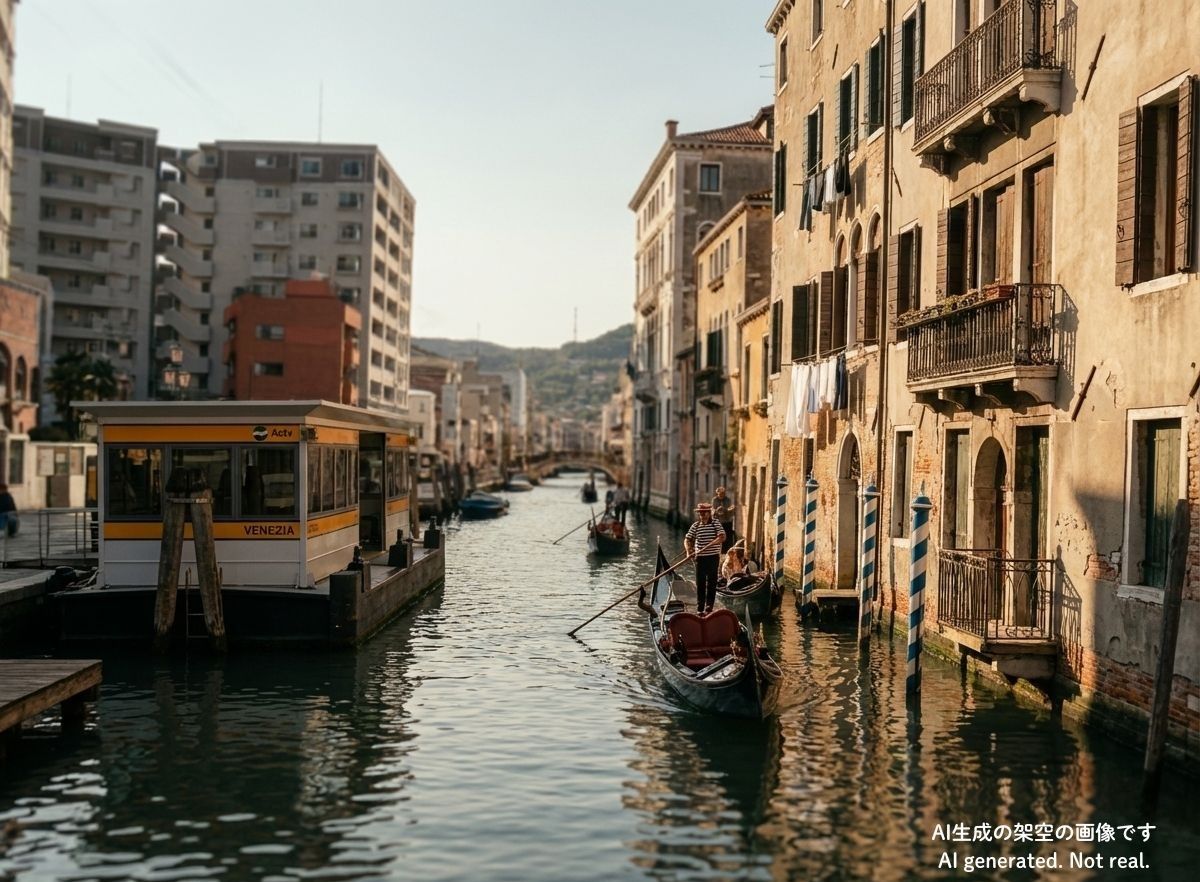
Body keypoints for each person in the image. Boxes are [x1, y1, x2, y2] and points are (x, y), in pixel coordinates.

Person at [684, 502, 725, 615]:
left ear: (709, 513)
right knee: (700, 583)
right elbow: (687, 539)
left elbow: (722, 537)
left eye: (704, 512)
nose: (702, 515)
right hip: (700, 558)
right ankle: (700, 607)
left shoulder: (715, 523)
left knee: (712, 582)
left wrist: (710, 544)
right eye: (700, 513)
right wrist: (689, 551)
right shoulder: (696, 526)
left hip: (713, 557)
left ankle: (709, 606)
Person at [712, 486, 735, 552]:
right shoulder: (715, 500)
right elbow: (713, 510)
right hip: (718, 521)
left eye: (723, 493)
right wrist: (717, 510)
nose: (722, 495)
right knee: (718, 537)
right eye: (720, 493)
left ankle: (726, 551)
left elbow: (730, 508)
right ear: (717, 493)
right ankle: (718, 550)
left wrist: (725, 510)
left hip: (727, 521)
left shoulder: (728, 500)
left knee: (727, 537)